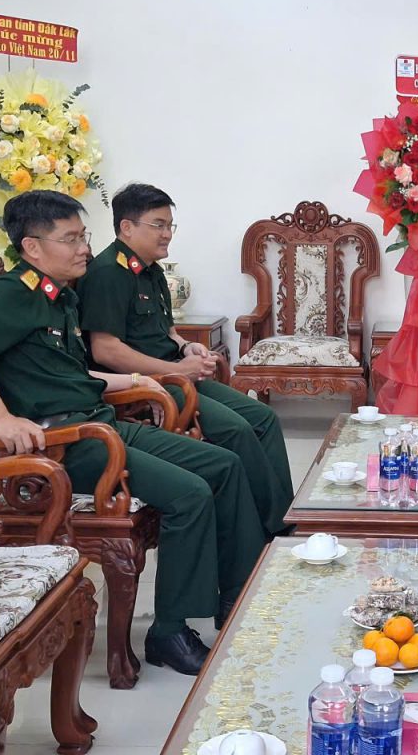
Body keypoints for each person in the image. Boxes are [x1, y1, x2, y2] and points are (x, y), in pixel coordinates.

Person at [0, 190, 266, 676]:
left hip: (98, 424)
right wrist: (2, 419)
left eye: (83, 236)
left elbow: (70, 376)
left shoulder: (58, 295)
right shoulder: (14, 292)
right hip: (64, 445)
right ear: (32, 247)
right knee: (191, 493)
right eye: (71, 239)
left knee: (224, 464)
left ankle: (236, 595)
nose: (84, 248)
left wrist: (136, 380)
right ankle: (168, 632)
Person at [76, 183, 294, 538]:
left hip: (175, 375)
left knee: (264, 418)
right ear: (127, 227)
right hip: (147, 386)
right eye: (158, 225)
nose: (167, 234)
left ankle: (282, 519)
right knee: (237, 430)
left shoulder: (151, 270)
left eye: (169, 225)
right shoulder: (107, 273)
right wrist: (177, 370)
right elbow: (106, 350)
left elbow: (165, 331)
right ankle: (263, 532)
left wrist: (186, 348)